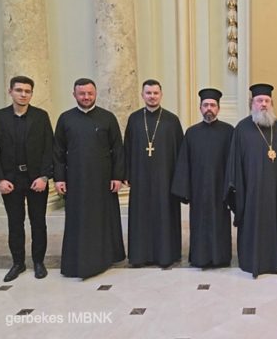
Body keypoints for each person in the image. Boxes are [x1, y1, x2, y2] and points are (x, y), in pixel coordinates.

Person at [53, 78, 125, 278]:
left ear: (95, 94)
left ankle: (105, 257)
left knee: (103, 219)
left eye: (90, 93)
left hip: (103, 181)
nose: (86, 97)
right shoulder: (65, 119)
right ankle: (78, 260)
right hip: (75, 180)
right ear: (74, 94)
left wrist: (117, 176)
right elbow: (57, 151)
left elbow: (118, 149)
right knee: (78, 220)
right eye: (82, 93)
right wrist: (59, 178)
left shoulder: (107, 118)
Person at [224, 83, 277, 278]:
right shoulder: (242, 128)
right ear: (251, 104)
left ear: (271, 104)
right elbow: (235, 162)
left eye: (267, 101)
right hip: (250, 192)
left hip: (275, 192)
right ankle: (250, 261)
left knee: (273, 226)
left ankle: (273, 261)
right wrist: (237, 189)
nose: (263, 104)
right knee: (252, 227)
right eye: (259, 100)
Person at [0, 76, 53, 282]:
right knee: (15, 223)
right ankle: (18, 263)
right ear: (10, 92)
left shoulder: (41, 116)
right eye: (19, 90)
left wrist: (44, 176)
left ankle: (39, 262)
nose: (23, 94)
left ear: (31, 94)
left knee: (38, 222)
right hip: (11, 179)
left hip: (36, 179)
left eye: (27, 91)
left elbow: (49, 148)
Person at [172, 88, 234, 268]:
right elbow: (184, 162)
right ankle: (199, 257)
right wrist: (185, 190)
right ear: (200, 108)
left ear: (218, 108)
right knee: (199, 223)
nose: (209, 108)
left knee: (220, 223)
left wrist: (232, 187)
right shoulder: (192, 132)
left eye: (213, 105)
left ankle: (221, 258)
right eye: (205, 105)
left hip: (220, 189)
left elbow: (233, 162)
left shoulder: (229, 131)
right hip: (198, 189)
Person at [124, 79, 183, 268]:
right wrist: (127, 173)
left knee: (165, 215)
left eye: (155, 93)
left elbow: (180, 152)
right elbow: (127, 148)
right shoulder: (134, 119)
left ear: (161, 95)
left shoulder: (172, 120)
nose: (152, 96)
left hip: (166, 179)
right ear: (142, 95)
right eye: (148, 93)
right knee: (141, 216)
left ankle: (166, 255)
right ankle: (139, 256)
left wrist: (179, 179)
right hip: (140, 178)